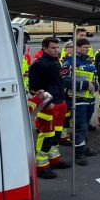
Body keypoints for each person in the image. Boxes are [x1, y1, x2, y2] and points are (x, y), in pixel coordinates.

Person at [28, 37, 71, 178]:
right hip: (48, 106)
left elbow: (59, 82)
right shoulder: (38, 64)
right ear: (44, 48)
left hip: (60, 102)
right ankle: (41, 167)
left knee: (56, 134)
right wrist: (47, 103)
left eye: (57, 48)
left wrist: (63, 100)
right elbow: (34, 89)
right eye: (53, 48)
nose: (56, 50)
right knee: (47, 135)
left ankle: (54, 160)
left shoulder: (56, 61)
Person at [62, 37, 100, 164]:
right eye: (85, 47)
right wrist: (84, 85)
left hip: (90, 99)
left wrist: (96, 86)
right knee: (80, 126)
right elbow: (65, 80)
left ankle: (83, 146)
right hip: (78, 100)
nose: (88, 49)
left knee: (86, 125)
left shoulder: (88, 61)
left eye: (89, 47)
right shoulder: (69, 62)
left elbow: (93, 77)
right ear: (77, 48)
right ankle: (79, 153)